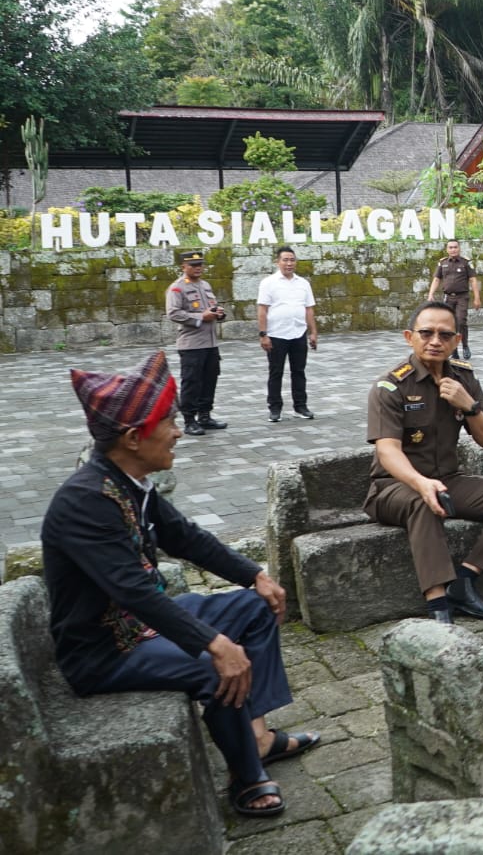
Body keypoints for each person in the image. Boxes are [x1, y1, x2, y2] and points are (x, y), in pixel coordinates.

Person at [42, 351, 318, 819]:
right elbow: (134, 592)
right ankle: (247, 777)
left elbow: (186, 538)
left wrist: (255, 575)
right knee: (217, 668)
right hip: (107, 651)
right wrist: (213, 643)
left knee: (255, 608)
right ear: (133, 438)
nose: (178, 431)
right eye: (169, 422)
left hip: (141, 628)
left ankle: (258, 737)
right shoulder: (86, 502)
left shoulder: (131, 482)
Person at [365, 301, 483, 624]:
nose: (435, 341)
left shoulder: (463, 379)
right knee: (424, 502)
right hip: (393, 488)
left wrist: (469, 406)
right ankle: (438, 606)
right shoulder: (390, 386)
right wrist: (421, 483)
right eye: (426, 333)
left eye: (445, 335)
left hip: (448, 479)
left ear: (456, 341)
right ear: (409, 337)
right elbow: (387, 451)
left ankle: (465, 579)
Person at [166, 249, 227, 437]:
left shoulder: (205, 285)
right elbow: (173, 313)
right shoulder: (177, 288)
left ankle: (205, 416)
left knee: (210, 380)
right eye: (193, 265)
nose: (198, 268)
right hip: (192, 344)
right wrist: (201, 316)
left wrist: (218, 313)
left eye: (200, 264)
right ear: (183, 267)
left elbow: (210, 309)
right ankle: (189, 420)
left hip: (210, 343)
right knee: (192, 382)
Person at [255, 245, 317, 423]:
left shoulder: (303, 283)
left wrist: (313, 332)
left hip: (298, 333)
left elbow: (309, 310)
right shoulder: (268, 283)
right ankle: (275, 408)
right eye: (285, 260)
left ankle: (301, 406)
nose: (289, 263)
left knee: (299, 371)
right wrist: (263, 334)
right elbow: (262, 310)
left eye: (292, 260)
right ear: (278, 262)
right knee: (276, 372)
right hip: (276, 334)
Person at [427, 239, 482, 359]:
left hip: (462, 297)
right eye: (450, 247)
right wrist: (431, 294)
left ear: (459, 248)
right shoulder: (443, 263)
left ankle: (465, 345)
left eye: (455, 247)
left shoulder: (465, 263)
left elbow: (473, 280)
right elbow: (437, 279)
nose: (453, 249)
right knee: (449, 324)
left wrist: (477, 298)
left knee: (461, 321)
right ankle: (454, 349)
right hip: (448, 298)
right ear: (447, 249)